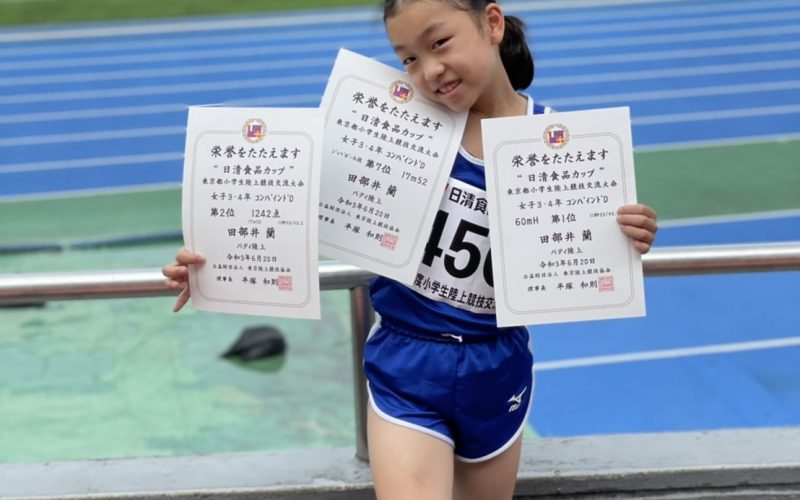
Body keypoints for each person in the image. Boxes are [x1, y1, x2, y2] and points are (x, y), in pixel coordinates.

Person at [163, 0, 658, 498]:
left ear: (491, 22)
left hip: (497, 367)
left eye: (439, 43)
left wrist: (627, 236)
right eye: (408, 59)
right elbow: (288, 209)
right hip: (407, 364)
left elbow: (582, 258)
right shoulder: (392, 131)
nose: (429, 70)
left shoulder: (564, 146)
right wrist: (218, 264)